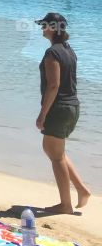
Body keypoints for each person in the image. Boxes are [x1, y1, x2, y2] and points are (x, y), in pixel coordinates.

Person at [35, 13, 90, 214]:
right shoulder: (69, 50)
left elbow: (54, 85)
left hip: (59, 109)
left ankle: (65, 205)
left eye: (44, 26)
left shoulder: (52, 53)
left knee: (54, 155)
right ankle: (82, 190)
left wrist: (42, 114)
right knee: (58, 153)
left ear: (52, 28)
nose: (42, 29)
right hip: (73, 107)